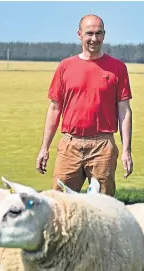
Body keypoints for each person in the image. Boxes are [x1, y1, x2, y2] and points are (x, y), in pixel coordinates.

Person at [36, 14, 133, 196]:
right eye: (89, 33)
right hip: (70, 145)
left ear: (104, 35)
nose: (94, 39)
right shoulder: (65, 66)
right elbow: (55, 109)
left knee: (103, 205)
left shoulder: (118, 68)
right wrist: (44, 148)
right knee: (60, 202)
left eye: (99, 33)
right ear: (79, 34)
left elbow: (124, 111)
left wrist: (126, 151)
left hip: (103, 145)